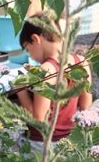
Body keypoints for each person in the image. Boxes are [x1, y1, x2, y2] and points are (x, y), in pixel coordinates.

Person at [17, 15, 93, 150]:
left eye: (28, 50)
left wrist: (20, 90)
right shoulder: (81, 62)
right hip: (69, 141)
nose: (30, 56)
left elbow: (39, 120)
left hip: (41, 144)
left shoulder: (45, 71)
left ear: (35, 39)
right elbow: (86, 105)